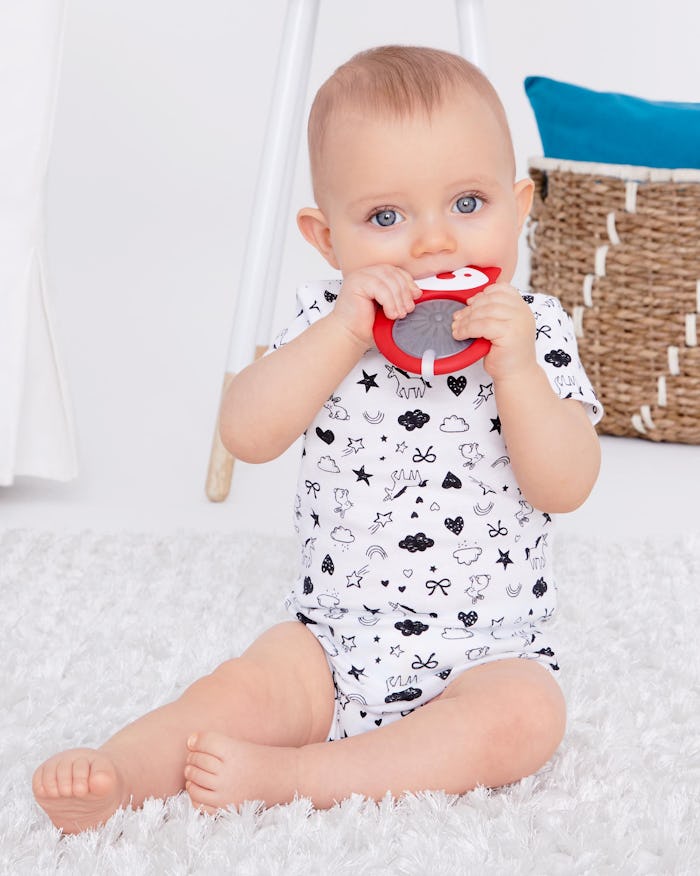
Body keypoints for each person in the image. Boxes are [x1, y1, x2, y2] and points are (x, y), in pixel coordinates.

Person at [33, 45, 602, 835]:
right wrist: (341, 330)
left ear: (519, 204)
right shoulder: (325, 322)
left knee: (528, 718)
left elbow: (565, 484)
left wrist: (517, 374)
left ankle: (304, 776)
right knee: (240, 688)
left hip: (487, 653)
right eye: (386, 217)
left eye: (468, 204)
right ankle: (123, 769)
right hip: (333, 643)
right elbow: (246, 431)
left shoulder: (534, 330)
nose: (434, 243)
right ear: (327, 240)